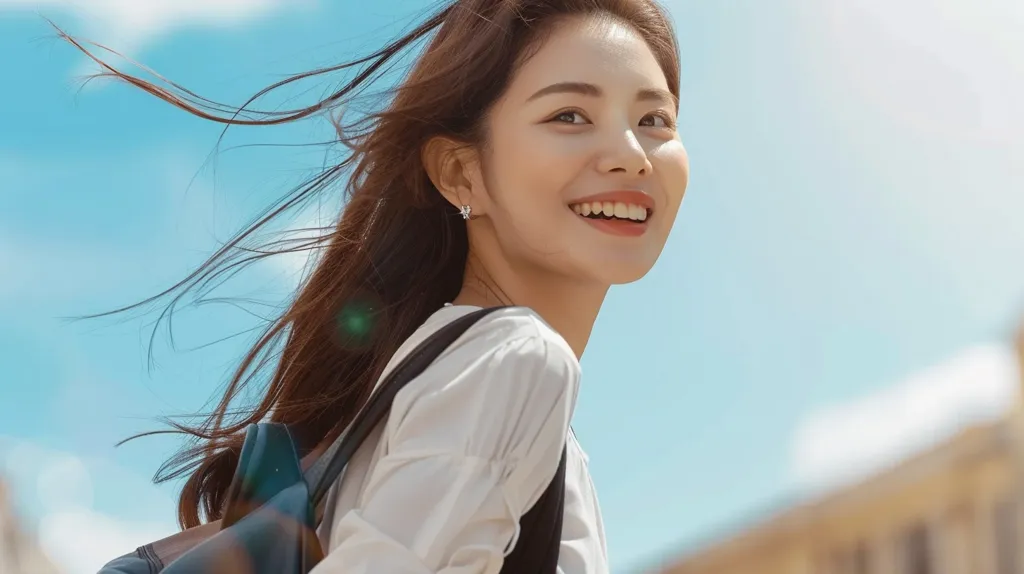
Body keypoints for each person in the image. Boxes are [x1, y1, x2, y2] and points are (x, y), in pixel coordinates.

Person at [66, 0, 688, 571]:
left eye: (655, 117)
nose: (631, 153)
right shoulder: (516, 362)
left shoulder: (433, 385)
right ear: (460, 173)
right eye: (569, 115)